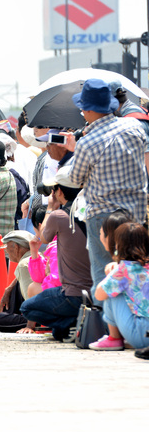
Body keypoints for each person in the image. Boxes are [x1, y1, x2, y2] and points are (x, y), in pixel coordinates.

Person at [67, 78, 148, 301]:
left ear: (88, 109)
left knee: (105, 276)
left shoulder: (87, 142)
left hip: (102, 216)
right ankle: (136, 322)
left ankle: (111, 331)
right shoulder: (134, 127)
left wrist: (75, 149)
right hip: (135, 215)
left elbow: (74, 178)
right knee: (134, 273)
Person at [20, 166, 91, 341]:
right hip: (93, 292)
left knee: (27, 308)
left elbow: (43, 237)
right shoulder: (90, 212)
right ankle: (72, 324)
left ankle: (73, 321)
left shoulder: (58, 216)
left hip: (70, 293)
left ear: (59, 191)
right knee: (58, 334)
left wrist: (51, 207)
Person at [90, 222, 149, 351]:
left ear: (119, 245)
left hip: (141, 335)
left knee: (111, 292)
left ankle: (114, 338)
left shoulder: (124, 269)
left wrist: (111, 274)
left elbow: (99, 294)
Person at [0, 230, 34, 332]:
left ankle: (33, 322)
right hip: (43, 310)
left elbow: (32, 299)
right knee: (13, 291)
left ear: (16, 248)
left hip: (39, 316)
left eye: (6, 247)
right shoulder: (34, 258)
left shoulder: (23, 264)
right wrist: (9, 288)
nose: (6, 251)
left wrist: (30, 326)